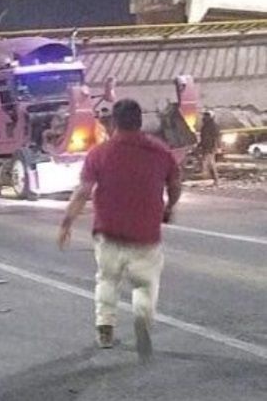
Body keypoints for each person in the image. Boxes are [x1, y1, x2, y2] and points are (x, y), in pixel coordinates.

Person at [57, 99, 181, 362]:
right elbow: (175, 183)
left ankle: (105, 329)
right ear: (140, 122)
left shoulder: (99, 153)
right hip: (146, 235)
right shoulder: (161, 152)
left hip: (108, 233)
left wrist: (67, 223)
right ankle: (142, 322)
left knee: (107, 280)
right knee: (145, 285)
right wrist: (170, 207)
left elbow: (83, 192)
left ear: (113, 122)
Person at [198, 111, 220, 187]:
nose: (205, 117)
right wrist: (199, 145)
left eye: (207, 115)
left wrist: (213, 147)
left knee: (210, 163)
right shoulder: (205, 126)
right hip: (205, 147)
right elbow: (203, 137)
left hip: (210, 147)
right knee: (207, 163)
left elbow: (215, 138)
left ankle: (216, 180)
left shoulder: (213, 126)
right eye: (205, 115)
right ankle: (213, 179)